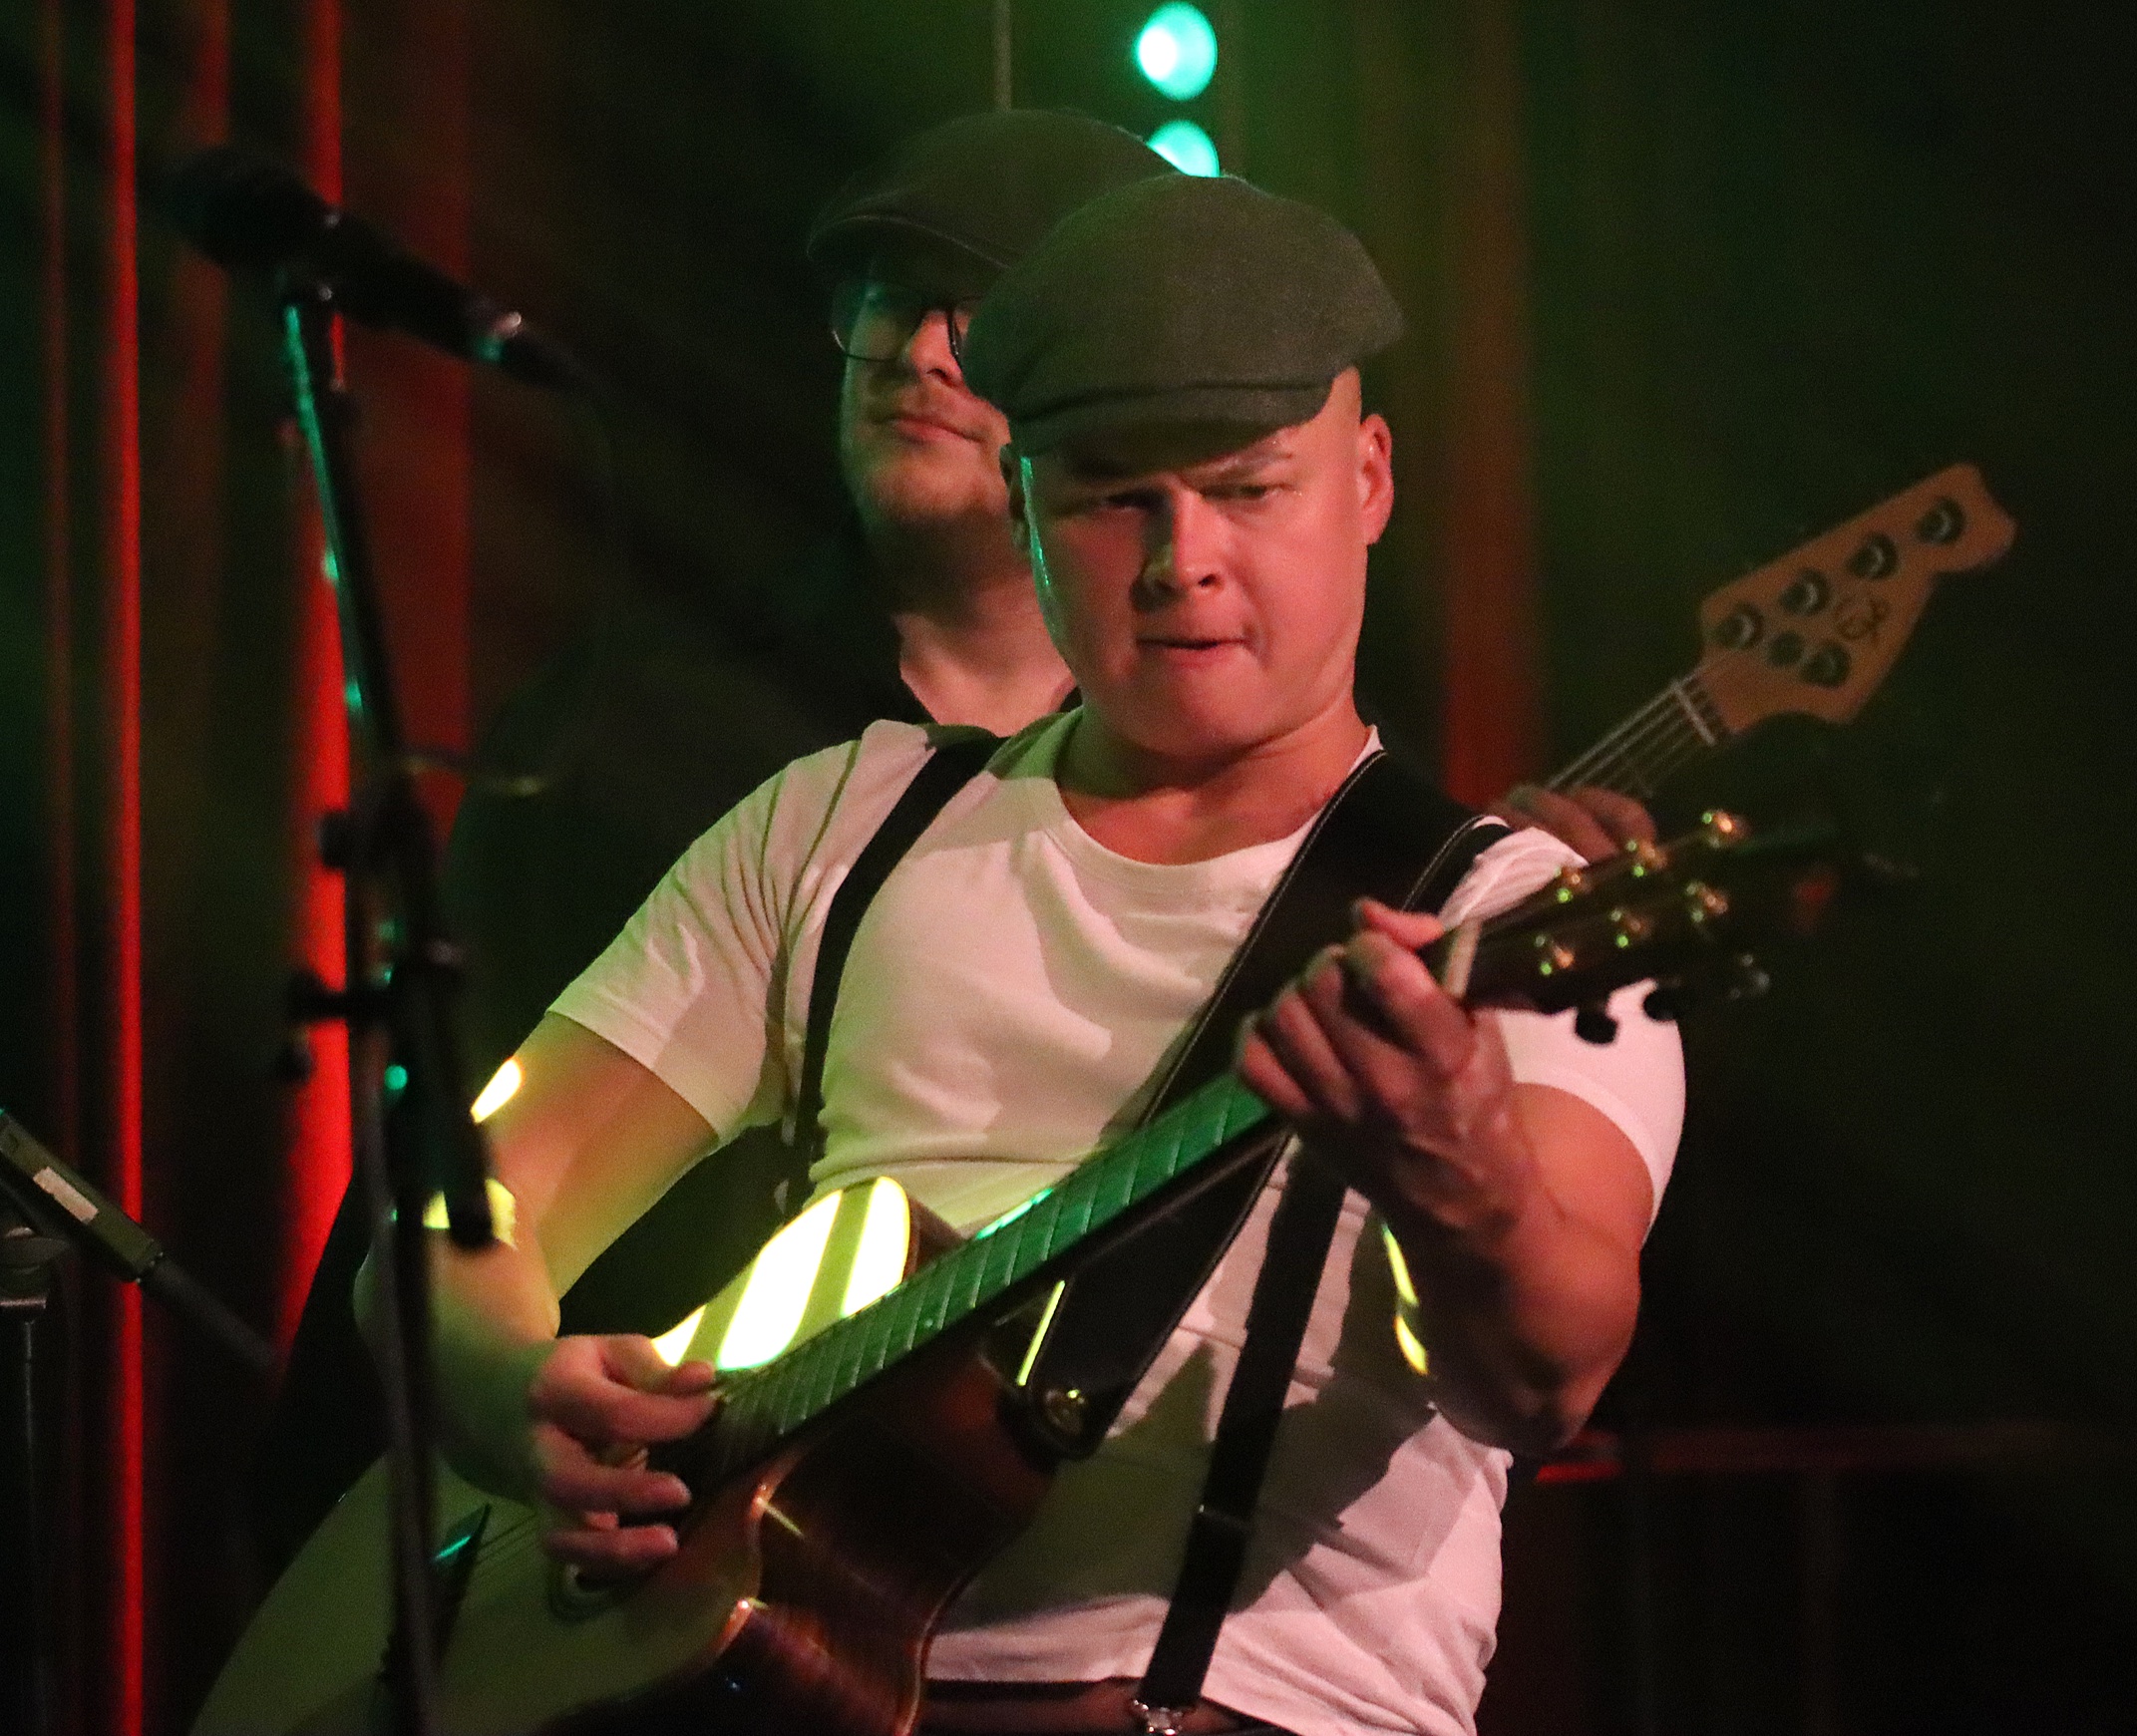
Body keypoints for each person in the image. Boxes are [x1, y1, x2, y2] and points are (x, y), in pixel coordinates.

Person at [408, 174, 1682, 1736]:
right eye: (1110, 496)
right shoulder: (839, 822)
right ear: (1021, 499)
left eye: (1249, 489)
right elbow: (461, 1207)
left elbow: (1544, 1381)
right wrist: (508, 1395)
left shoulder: (1508, 911)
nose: (1180, 558)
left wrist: (1460, 1170)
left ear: (1368, 479)